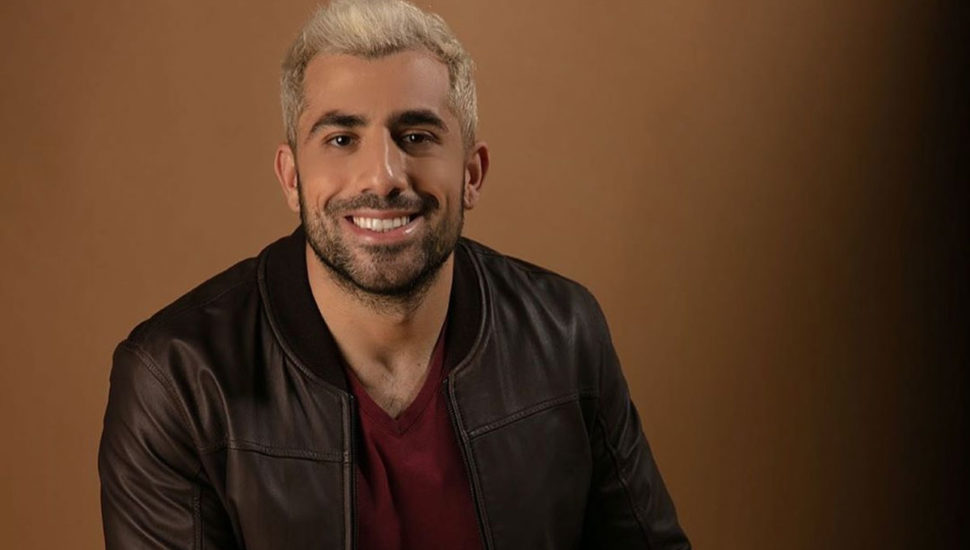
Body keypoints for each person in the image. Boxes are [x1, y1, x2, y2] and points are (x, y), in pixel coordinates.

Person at [97, 0, 690, 548]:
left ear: (472, 174)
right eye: (341, 138)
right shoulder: (176, 380)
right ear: (292, 178)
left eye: (416, 136)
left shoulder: (564, 332)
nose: (382, 177)